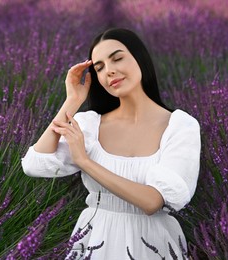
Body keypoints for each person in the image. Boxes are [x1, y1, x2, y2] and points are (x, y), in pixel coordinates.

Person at [21, 28, 201, 259]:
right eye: (99, 68)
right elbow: (35, 164)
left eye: (117, 58)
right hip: (94, 237)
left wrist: (84, 162)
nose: (110, 71)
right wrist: (72, 101)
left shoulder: (180, 126)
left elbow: (152, 201)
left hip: (152, 243)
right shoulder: (90, 125)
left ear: (140, 58)